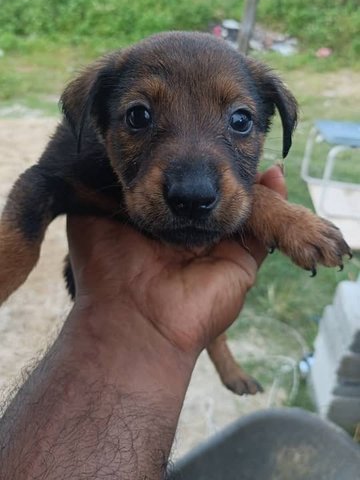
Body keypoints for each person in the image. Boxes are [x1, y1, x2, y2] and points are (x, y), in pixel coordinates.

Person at [0, 165, 286, 480]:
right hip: (109, 274)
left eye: (240, 121)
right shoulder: (82, 152)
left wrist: (273, 210)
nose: (194, 188)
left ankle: (222, 357)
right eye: (139, 115)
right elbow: (45, 180)